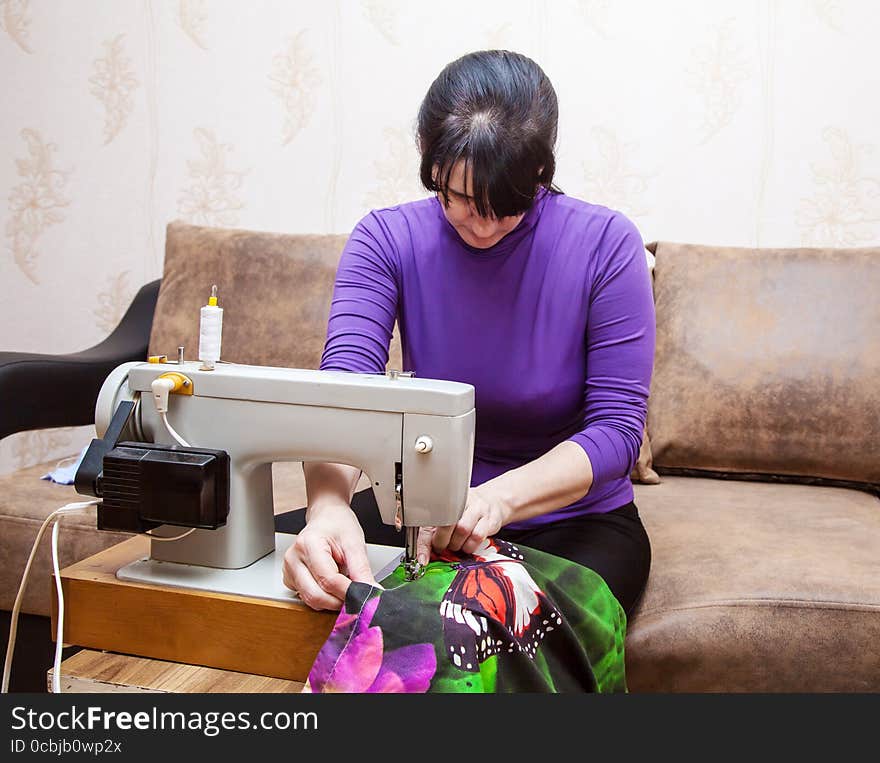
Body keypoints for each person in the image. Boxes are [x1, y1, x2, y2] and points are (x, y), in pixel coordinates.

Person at [278, 49, 655, 620]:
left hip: (575, 525)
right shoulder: (386, 240)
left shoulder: (606, 244)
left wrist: (492, 501)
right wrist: (327, 508)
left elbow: (618, 431)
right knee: (258, 566)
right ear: (428, 161)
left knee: (491, 635)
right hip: (422, 513)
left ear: (539, 173)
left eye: (502, 208)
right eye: (457, 199)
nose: (481, 226)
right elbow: (345, 396)